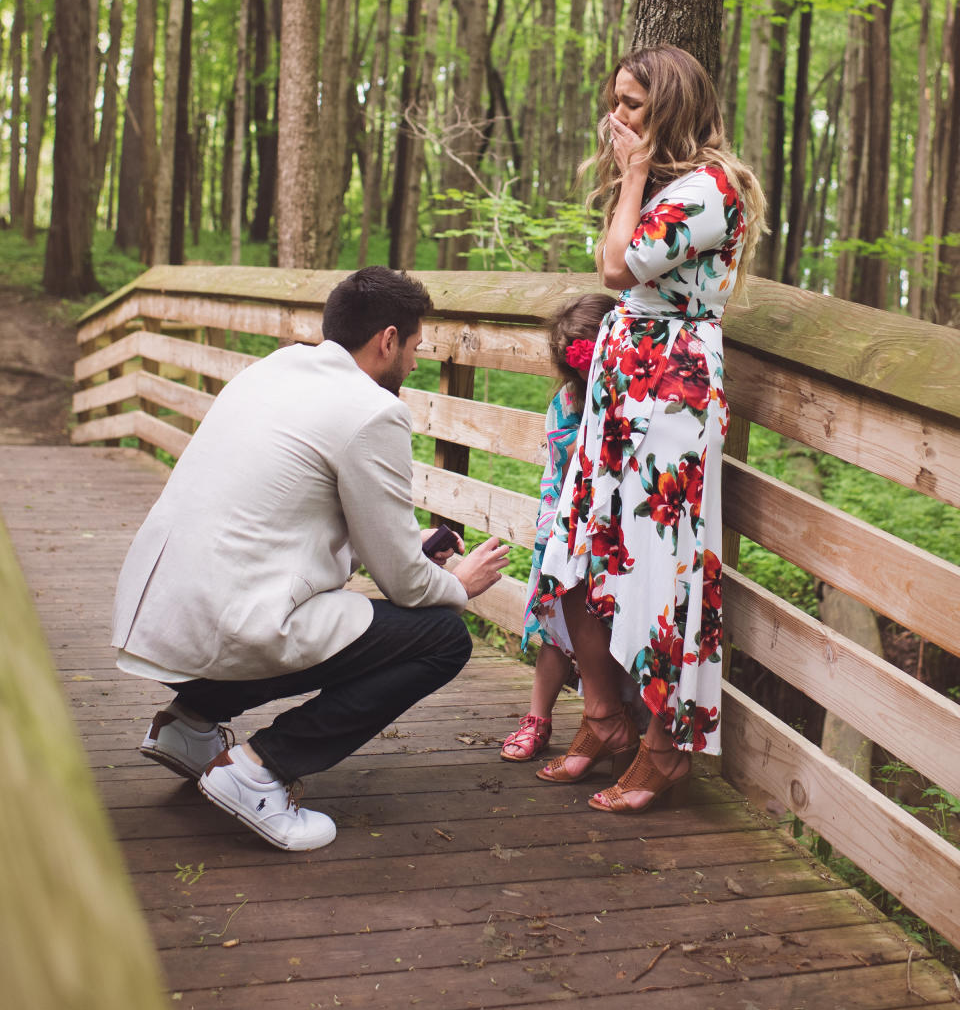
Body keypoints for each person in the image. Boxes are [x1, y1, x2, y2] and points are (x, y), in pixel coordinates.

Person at [112, 266, 510, 851]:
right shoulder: (372, 411)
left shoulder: (273, 369)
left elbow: (294, 519)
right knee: (442, 637)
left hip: (163, 608)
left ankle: (191, 724)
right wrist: (460, 585)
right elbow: (406, 585)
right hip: (234, 619)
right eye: (416, 349)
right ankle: (260, 770)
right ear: (388, 340)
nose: (416, 365)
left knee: (354, 617)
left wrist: (410, 549)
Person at [530, 45, 764, 812]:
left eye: (632, 104)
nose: (617, 118)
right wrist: (634, 178)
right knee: (578, 556)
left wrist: (631, 175)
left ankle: (664, 750)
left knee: (657, 574)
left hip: (671, 401)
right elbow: (618, 261)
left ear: (670, 105)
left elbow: (618, 267)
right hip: (622, 393)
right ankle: (603, 717)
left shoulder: (710, 189)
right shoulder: (672, 185)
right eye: (616, 102)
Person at [500, 293, 613, 762]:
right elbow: (560, 467)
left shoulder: (629, 398)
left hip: (608, 530)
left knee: (601, 627)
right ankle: (538, 716)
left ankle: (604, 720)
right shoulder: (566, 402)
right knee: (556, 625)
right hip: (564, 522)